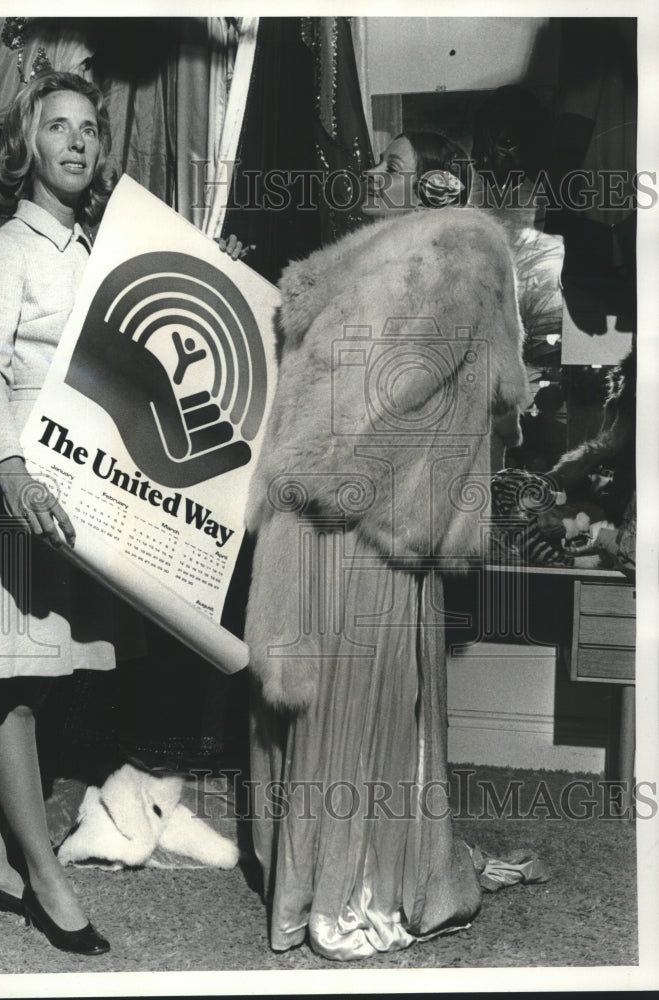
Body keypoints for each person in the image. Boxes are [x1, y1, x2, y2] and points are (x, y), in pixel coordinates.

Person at [243, 131, 530, 959]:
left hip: (370, 525)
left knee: (355, 704)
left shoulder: (459, 253)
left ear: (439, 186)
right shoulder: (365, 260)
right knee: (300, 699)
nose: (374, 174)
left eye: (395, 166)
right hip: (318, 516)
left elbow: (424, 394)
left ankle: (353, 888)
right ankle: (303, 885)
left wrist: (334, 476)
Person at [0, 70, 122, 956]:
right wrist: (9, 473)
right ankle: (44, 878)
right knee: (10, 685)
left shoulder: (91, 253)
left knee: (32, 677)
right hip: (21, 495)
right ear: (27, 146)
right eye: (59, 128)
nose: (78, 142)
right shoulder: (7, 247)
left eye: (89, 128)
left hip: (72, 498)